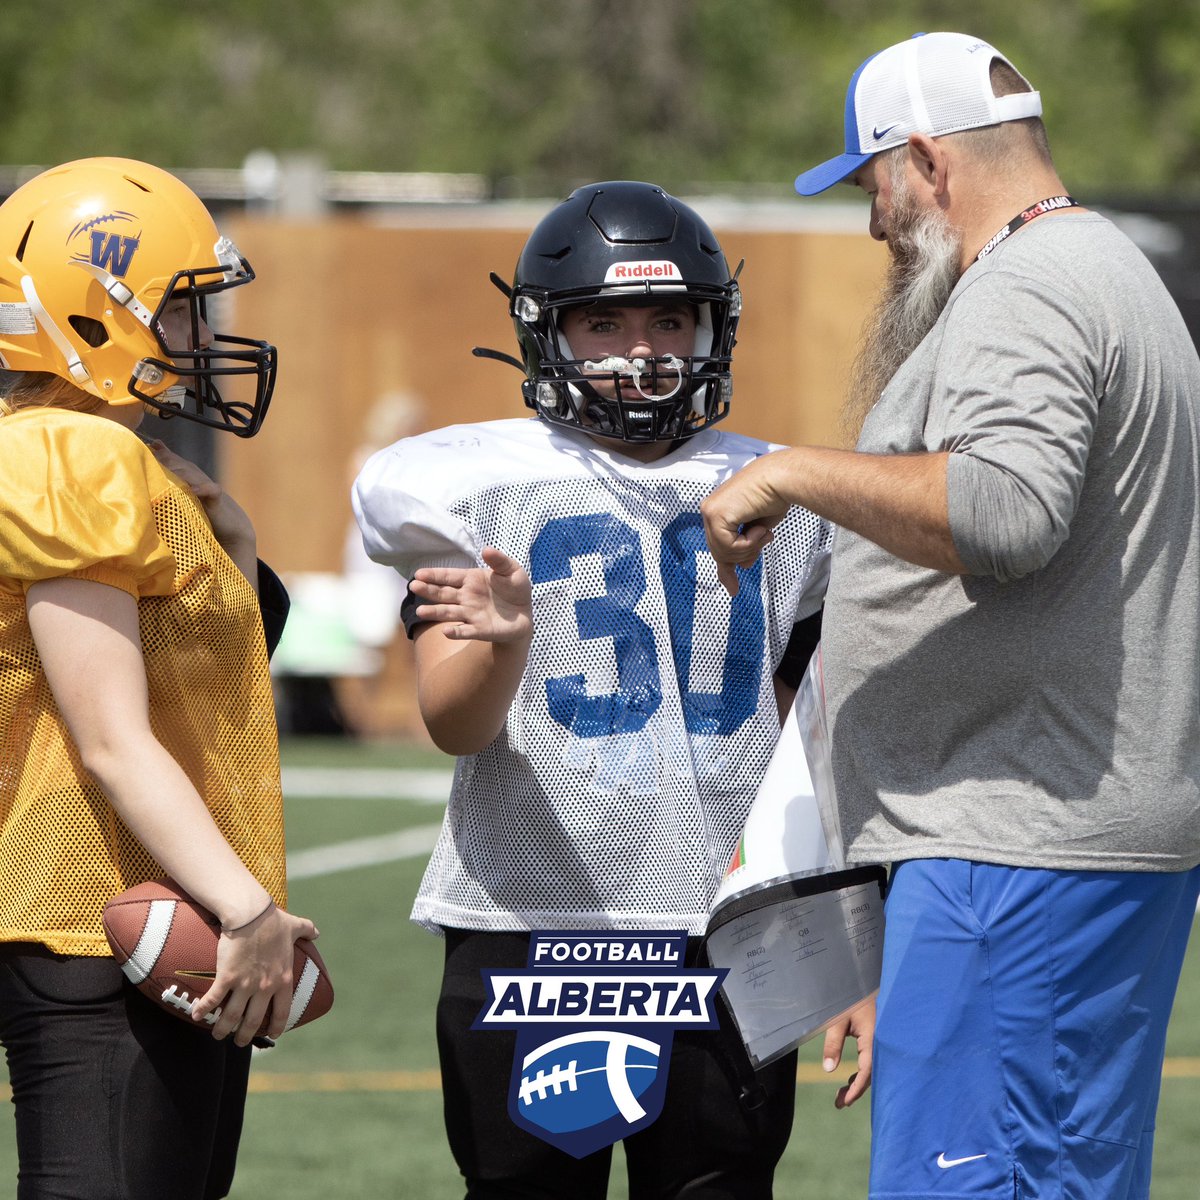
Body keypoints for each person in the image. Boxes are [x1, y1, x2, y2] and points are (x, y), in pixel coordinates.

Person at [699, 31, 1200, 1200]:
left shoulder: (1027, 284)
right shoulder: (1103, 267)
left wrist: (793, 474)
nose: (876, 222)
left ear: (926, 160)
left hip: (1014, 841)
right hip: (1059, 834)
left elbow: (1002, 509)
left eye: (872, 183)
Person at [352, 180, 870, 1199]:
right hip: (537, 923)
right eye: (604, 322)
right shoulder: (474, 484)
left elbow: (823, 739)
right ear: (549, 336)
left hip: (721, 925)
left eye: (669, 317)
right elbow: (454, 725)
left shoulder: (789, 494)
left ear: (713, 326)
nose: (642, 348)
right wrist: (502, 646)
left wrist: (849, 934)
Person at [0, 157, 317, 1200]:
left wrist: (231, 537)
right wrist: (245, 910)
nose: (199, 335)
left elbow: (199, 692)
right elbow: (110, 736)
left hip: (114, 912)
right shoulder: (70, 459)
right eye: (182, 307)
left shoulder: (102, 458)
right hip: (97, 918)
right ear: (99, 313)